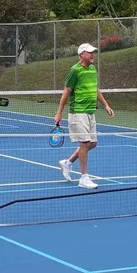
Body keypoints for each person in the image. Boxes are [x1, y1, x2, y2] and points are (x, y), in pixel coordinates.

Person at [55, 43, 114, 189]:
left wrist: (106, 105)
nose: (92, 54)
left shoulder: (93, 69)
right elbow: (66, 92)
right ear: (82, 54)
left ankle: (67, 163)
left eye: (93, 52)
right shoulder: (74, 70)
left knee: (92, 143)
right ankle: (84, 178)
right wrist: (59, 112)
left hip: (90, 111)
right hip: (78, 111)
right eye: (89, 52)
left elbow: (95, 89)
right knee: (85, 143)